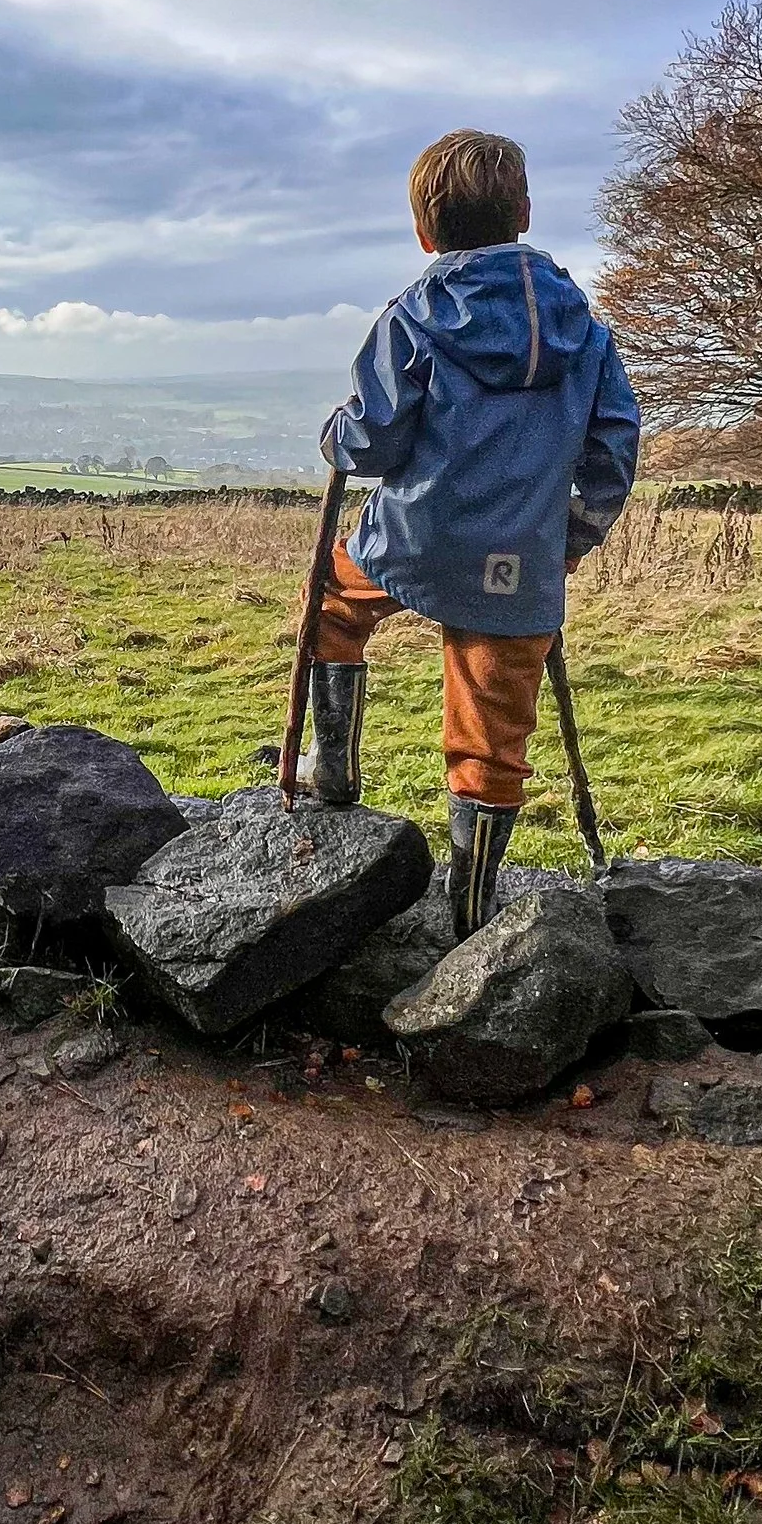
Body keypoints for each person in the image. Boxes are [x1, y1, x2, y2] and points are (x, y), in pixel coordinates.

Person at [307, 128, 639, 935]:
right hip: (520, 564)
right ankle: (470, 910)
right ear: (523, 213)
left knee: (332, 607)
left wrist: (333, 436)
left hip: (413, 539)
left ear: (425, 231)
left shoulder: (414, 317)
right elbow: (614, 446)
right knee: (492, 737)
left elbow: (372, 440)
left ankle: (335, 772)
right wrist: (570, 538)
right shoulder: (584, 331)